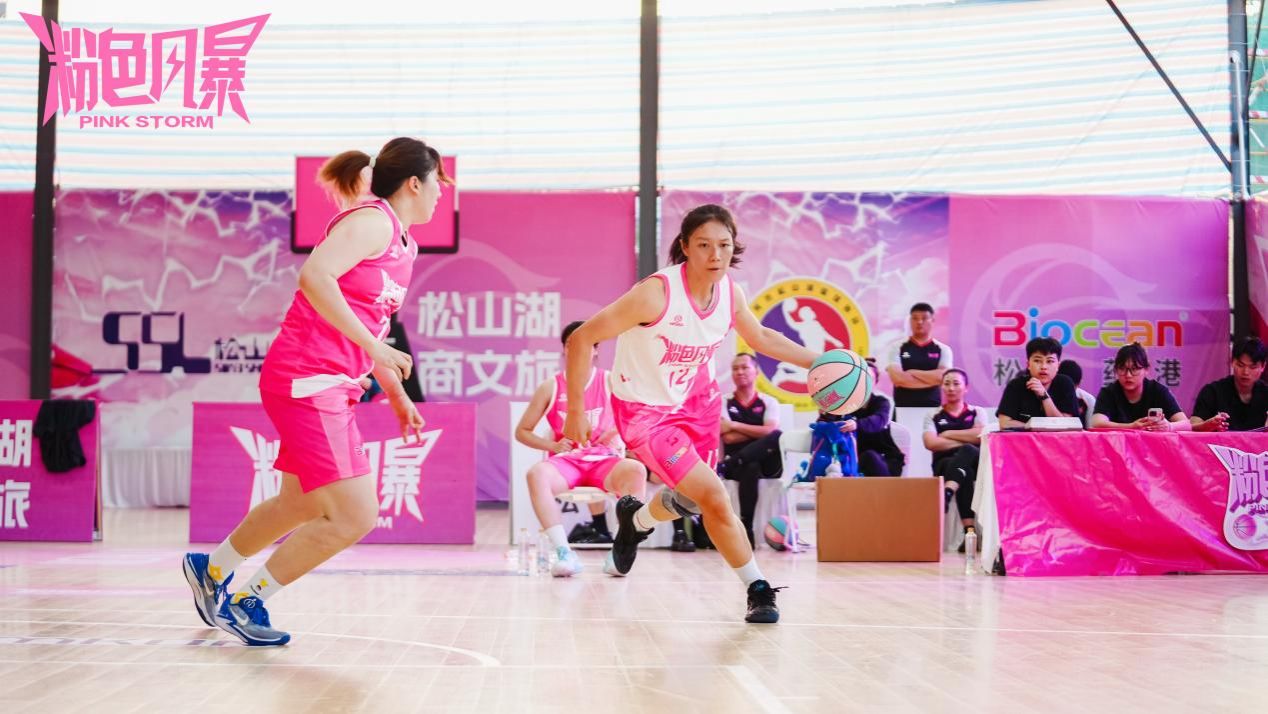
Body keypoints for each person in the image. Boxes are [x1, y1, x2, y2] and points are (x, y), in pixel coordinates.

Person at [182, 138, 449, 646]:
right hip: (308, 377)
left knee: (299, 503)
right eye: (439, 182)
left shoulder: (405, 246)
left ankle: (211, 569)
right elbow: (314, 276)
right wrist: (374, 347)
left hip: (330, 382)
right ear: (415, 183)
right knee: (356, 515)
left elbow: (370, 324)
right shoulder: (372, 222)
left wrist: (396, 394)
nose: (442, 193)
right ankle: (246, 601)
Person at [563, 204, 819, 624]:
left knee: (690, 498)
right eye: (703, 245)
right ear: (684, 246)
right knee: (714, 496)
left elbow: (760, 336)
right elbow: (582, 338)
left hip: (698, 402)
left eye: (724, 245)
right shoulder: (656, 294)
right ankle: (757, 587)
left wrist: (820, 361)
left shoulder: (730, 294)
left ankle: (636, 520)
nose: (715, 255)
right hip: (645, 413)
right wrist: (576, 410)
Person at [513, 321, 648, 576]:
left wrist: (615, 432)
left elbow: (637, 416)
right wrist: (552, 445)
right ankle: (565, 553)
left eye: (585, 344)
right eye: (570, 344)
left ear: (596, 349)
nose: (577, 348)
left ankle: (621, 551)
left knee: (636, 470)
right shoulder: (551, 386)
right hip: (567, 462)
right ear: (564, 349)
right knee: (536, 474)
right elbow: (522, 431)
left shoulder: (610, 381)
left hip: (604, 460)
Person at [717, 352, 783, 549]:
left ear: (756, 372)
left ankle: (735, 460)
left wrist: (734, 425)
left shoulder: (768, 401)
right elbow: (726, 437)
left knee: (776, 435)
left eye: (745, 367)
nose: (740, 372)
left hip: (767, 463)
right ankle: (746, 527)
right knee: (750, 466)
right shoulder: (724, 401)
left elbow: (770, 431)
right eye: (735, 369)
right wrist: (759, 432)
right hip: (740, 467)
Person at [922, 368, 990, 551]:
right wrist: (966, 438)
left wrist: (947, 434)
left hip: (974, 461)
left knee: (968, 451)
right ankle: (970, 532)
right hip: (943, 464)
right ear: (941, 387)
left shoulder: (977, 412)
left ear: (966, 388)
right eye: (947, 384)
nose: (951, 388)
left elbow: (980, 436)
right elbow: (931, 443)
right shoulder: (933, 415)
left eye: (956, 383)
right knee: (963, 471)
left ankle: (948, 492)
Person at [815, 359, 903, 476]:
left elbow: (879, 420)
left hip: (883, 459)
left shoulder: (881, 402)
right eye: (861, 378)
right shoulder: (842, 403)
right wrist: (825, 414)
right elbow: (824, 425)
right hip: (849, 459)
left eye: (869, 379)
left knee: (869, 457)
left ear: (875, 382)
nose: (864, 383)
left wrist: (856, 424)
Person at [1091, 342, 1191, 431]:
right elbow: (1097, 423)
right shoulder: (1108, 392)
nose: (1128, 375)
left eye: (1134, 369)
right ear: (1116, 370)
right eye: (1122, 369)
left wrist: (1169, 426)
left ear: (1146, 370)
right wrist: (1131, 427)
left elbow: (1186, 424)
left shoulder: (1158, 391)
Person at [996, 337, 1080, 429]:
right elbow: (1004, 424)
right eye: (1037, 361)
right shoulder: (1015, 385)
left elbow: (1066, 425)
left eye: (1050, 361)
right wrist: (1034, 427)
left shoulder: (1065, 384)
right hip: (1024, 438)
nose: (1044, 366)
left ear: (1058, 366)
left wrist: (1044, 396)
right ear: (1028, 365)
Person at [1191, 337, 1268, 432]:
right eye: (1240, 365)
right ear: (1232, 362)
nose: (1246, 372)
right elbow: (1192, 426)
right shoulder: (1212, 392)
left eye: (1253, 367)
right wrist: (1207, 426)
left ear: (1263, 366)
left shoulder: (1265, 393)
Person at [885, 302, 953, 409]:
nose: (919, 322)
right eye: (915, 318)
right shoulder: (896, 347)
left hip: (933, 409)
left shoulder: (943, 349)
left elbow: (942, 378)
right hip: (902, 408)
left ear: (932, 321)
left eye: (924, 318)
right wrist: (932, 380)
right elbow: (898, 379)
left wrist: (912, 372)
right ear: (910, 321)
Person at [1057, 359, 1096, 427]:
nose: (1068, 391)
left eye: (1071, 387)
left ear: (1079, 383)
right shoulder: (1046, 395)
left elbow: (1090, 428)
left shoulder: (1089, 399)